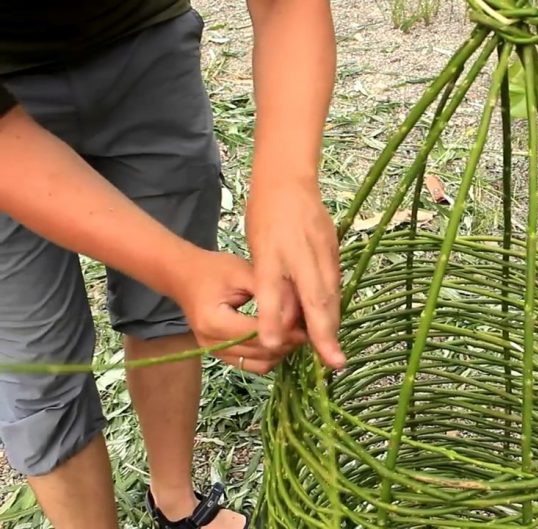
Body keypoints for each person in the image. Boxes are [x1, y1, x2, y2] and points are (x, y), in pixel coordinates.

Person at [0, 1, 345, 527]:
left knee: (168, 312)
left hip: (143, 42)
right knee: (40, 364)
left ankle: (177, 506)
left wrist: (287, 180)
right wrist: (179, 268)